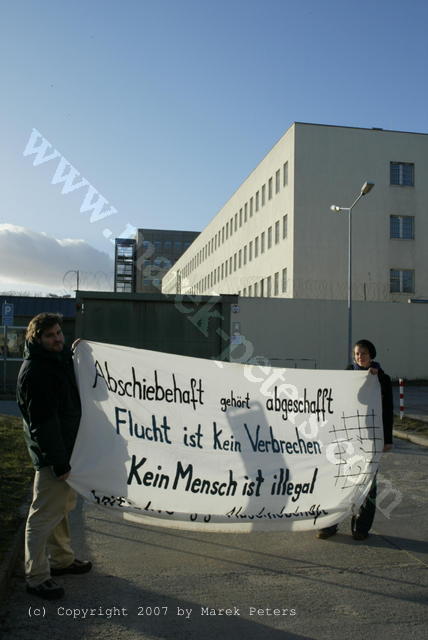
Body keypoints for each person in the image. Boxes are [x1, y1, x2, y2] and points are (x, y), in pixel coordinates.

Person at [16, 313, 91, 600]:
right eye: (50, 336)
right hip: (53, 457)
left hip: (67, 452)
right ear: (37, 339)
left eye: (59, 333)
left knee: (60, 509)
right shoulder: (36, 372)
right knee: (43, 515)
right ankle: (36, 577)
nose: (57, 339)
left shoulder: (56, 362)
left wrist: (81, 352)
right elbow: (44, 425)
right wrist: (59, 463)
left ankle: (61, 561)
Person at [317, 339, 394, 541]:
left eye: (364, 354)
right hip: (346, 437)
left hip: (371, 439)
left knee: (368, 484)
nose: (360, 357)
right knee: (339, 481)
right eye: (357, 354)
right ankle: (329, 523)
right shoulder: (347, 375)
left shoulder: (382, 379)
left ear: (372, 355)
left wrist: (388, 438)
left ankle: (361, 527)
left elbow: (387, 410)